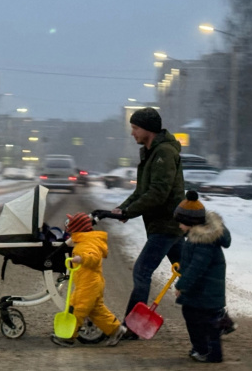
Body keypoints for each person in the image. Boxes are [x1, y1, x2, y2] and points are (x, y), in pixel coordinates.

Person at [110, 107, 185, 340]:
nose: (132, 133)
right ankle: (219, 319)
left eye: (135, 128)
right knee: (189, 272)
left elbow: (157, 194)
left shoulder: (163, 153)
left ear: (148, 129)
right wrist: (122, 209)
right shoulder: (151, 152)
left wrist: (130, 212)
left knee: (142, 271)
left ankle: (132, 326)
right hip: (168, 224)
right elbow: (141, 191)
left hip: (166, 224)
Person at [50, 213, 127, 348]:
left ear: (77, 229)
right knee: (96, 310)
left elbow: (94, 257)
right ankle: (116, 329)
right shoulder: (86, 240)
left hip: (88, 284)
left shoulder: (87, 243)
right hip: (90, 283)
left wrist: (82, 258)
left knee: (77, 309)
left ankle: (68, 337)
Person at [173, 190, 231, 363]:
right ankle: (204, 348)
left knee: (201, 320)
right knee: (199, 318)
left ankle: (207, 351)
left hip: (205, 292)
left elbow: (196, 269)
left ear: (190, 222)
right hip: (202, 291)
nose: (179, 226)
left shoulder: (203, 242)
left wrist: (181, 285)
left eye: (181, 223)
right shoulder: (196, 238)